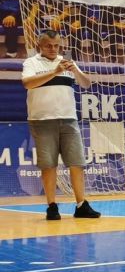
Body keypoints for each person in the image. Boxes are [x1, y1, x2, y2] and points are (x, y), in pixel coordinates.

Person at [21, 31, 101, 220]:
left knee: (77, 163)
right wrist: (54, 72)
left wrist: (75, 70)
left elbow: (87, 84)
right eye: (49, 45)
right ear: (40, 45)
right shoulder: (31, 63)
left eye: (56, 45)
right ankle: (52, 206)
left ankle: (81, 205)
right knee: (48, 165)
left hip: (69, 119)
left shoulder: (66, 63)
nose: (53, 49)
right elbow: (27, 83)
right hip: (42, 120)